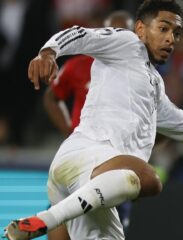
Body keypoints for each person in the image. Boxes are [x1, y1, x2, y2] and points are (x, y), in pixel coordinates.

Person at [3, 1, 183, 239]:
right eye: (163, 28)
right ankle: (44, 219)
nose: (171, 38)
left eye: (177, 32)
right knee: (149, 178)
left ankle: (46, 218)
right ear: (140, 29)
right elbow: (80, 34)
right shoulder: (126, 45)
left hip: (90, 189)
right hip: (86, 155)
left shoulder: (156, 90)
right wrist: (49, 53)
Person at [42, 10, 135, 240]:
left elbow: (160, 121)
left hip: (111, 163)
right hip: (79, 157)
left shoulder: (141, 76)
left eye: (124, 32)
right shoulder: (79, 66)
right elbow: (51, 97)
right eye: (112, 31)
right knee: (60, 224)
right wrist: (68, 130)